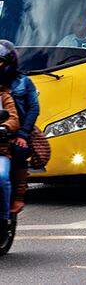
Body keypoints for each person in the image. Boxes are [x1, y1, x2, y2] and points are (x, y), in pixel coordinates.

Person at [0, 41, 36, 215]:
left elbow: (33, 109)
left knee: (20, 151)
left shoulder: (23, 82)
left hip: (14, 134)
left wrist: (22, 133)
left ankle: (18, 196)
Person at [0, 72, 18, 225]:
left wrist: (5, 127)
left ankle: (4, 219)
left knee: (2, 177)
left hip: (1, 152)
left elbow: (14, 118)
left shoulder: (3, 96)